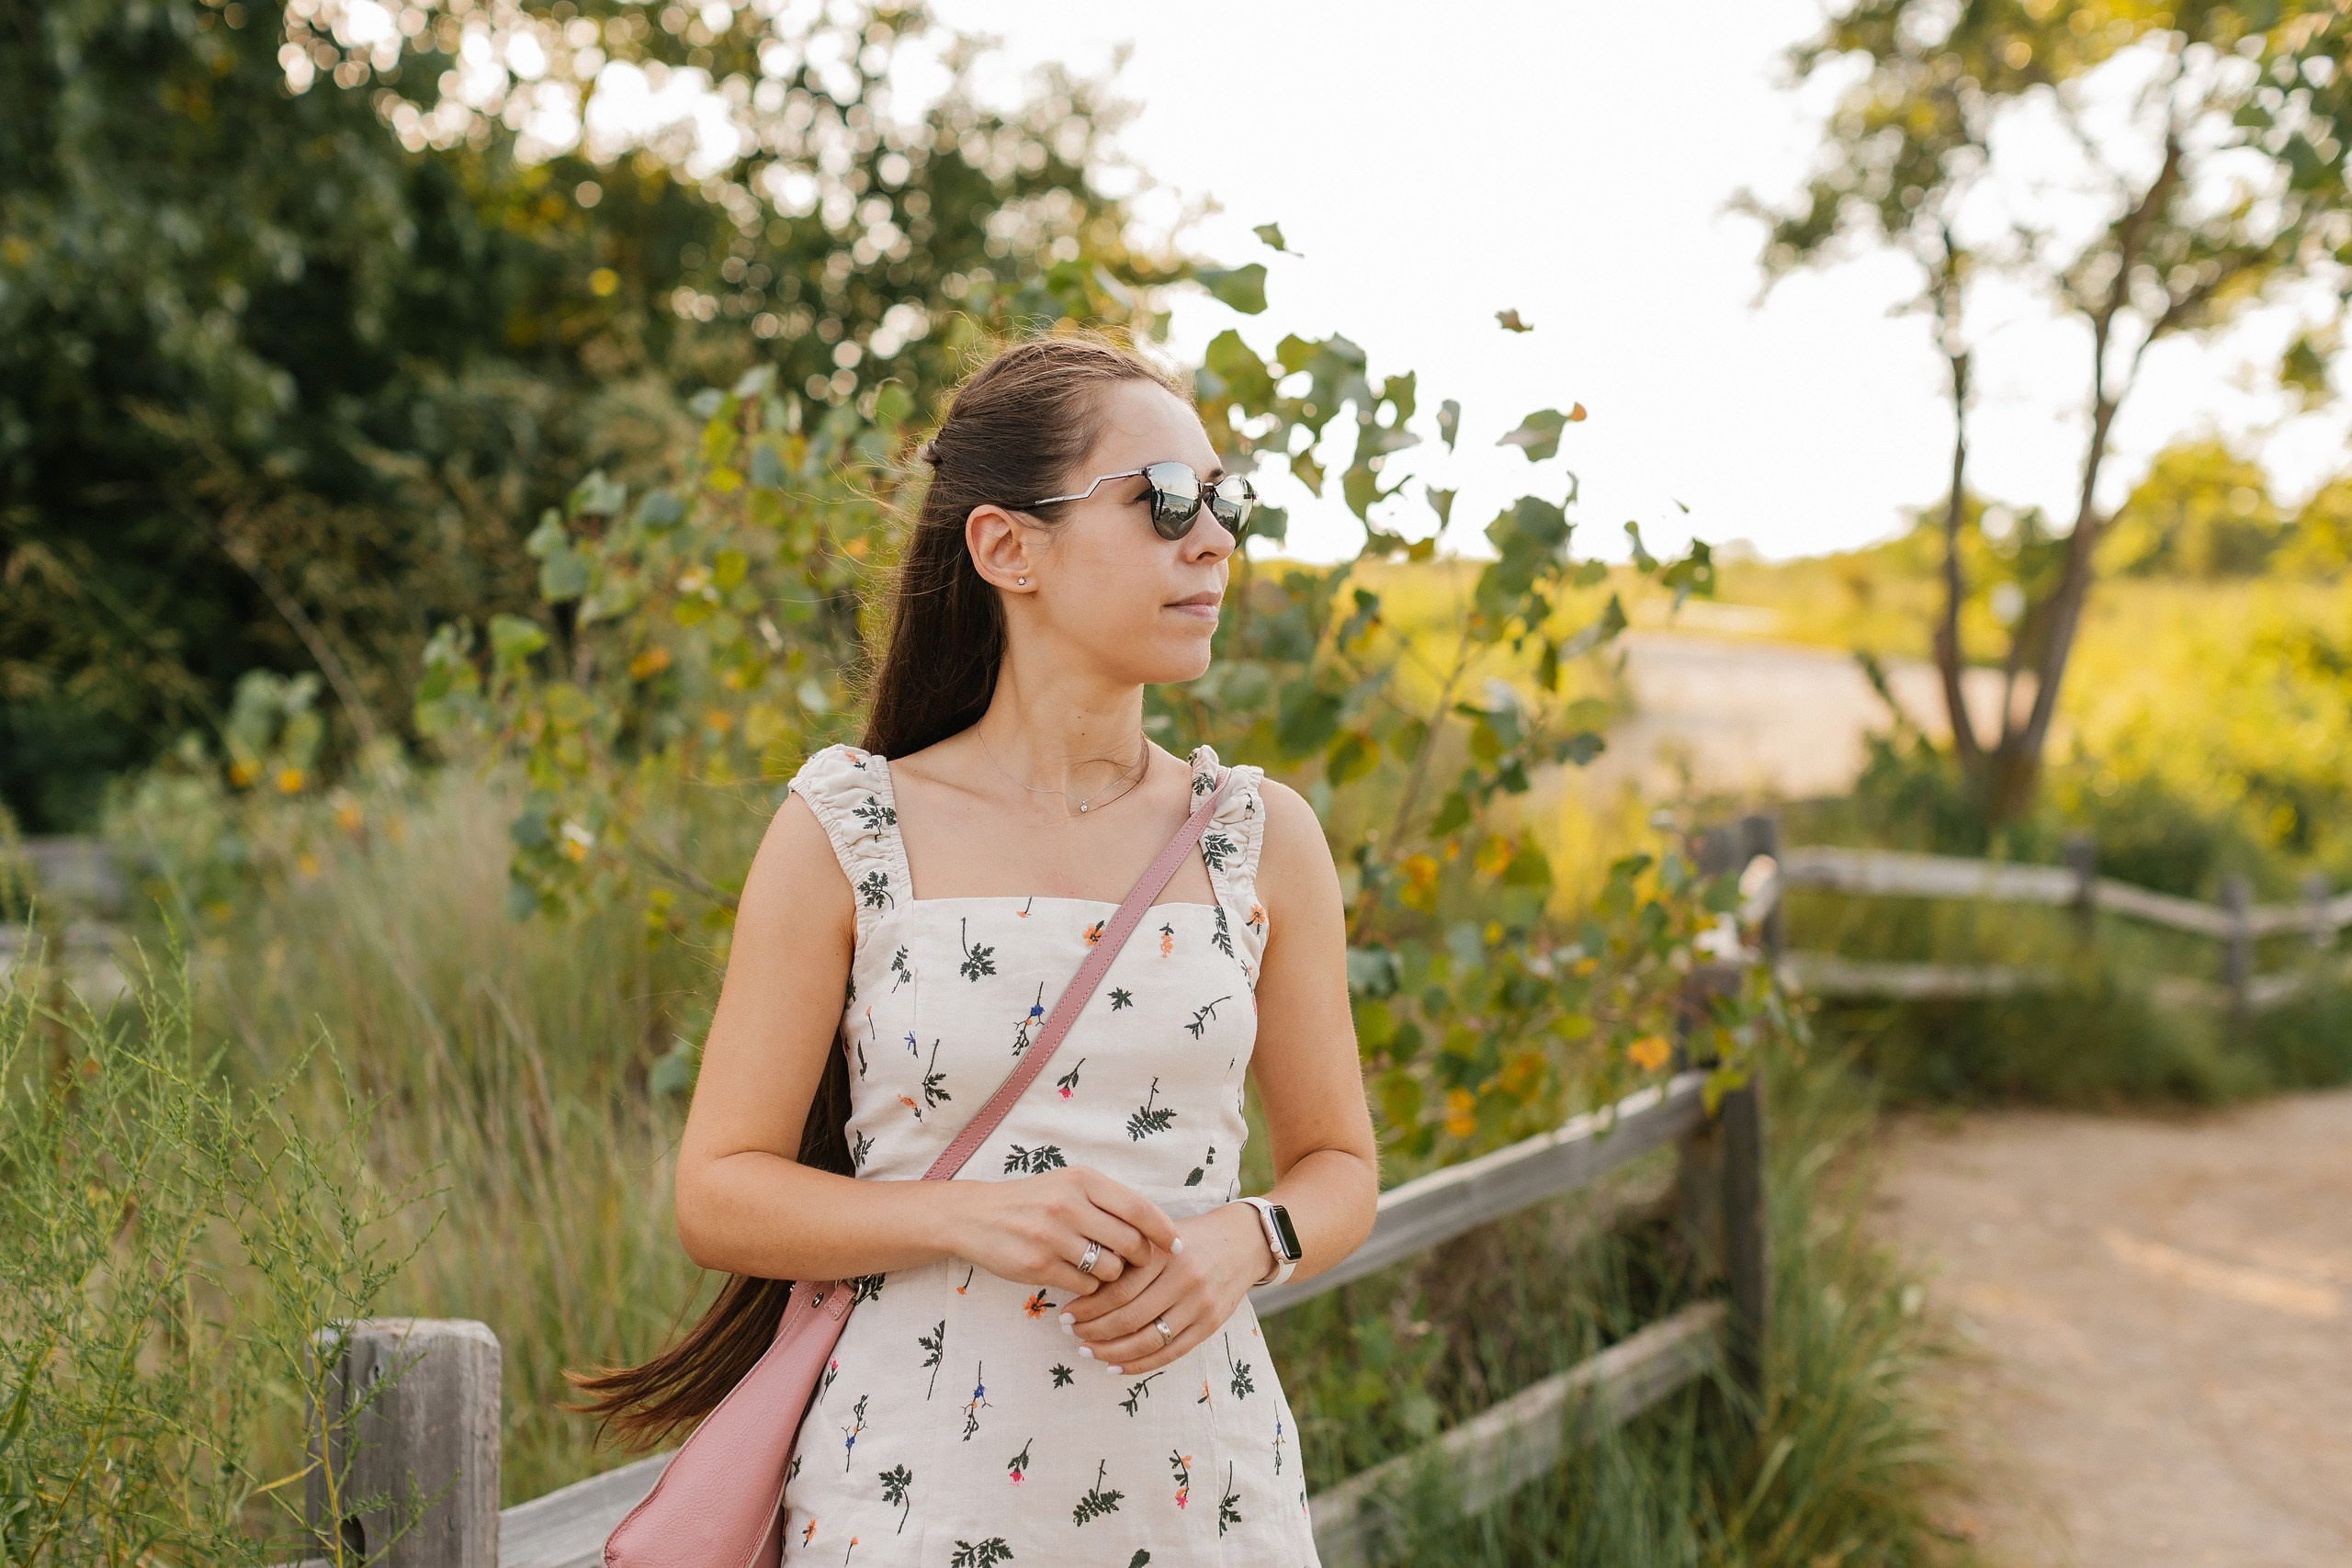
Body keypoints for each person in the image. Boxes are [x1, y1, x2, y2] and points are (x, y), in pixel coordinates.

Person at [574, 333, 1378, 1564]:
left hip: (1204, 1488)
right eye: (1165, 501)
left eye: (1225, 500)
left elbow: (1338, 1163)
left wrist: (1246, 1237)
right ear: (1008, 547)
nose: (1212, 539)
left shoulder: (1259, 838)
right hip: (913, 1493)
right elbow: (718, 1191)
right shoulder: (849, 830)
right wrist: (967, 1218)